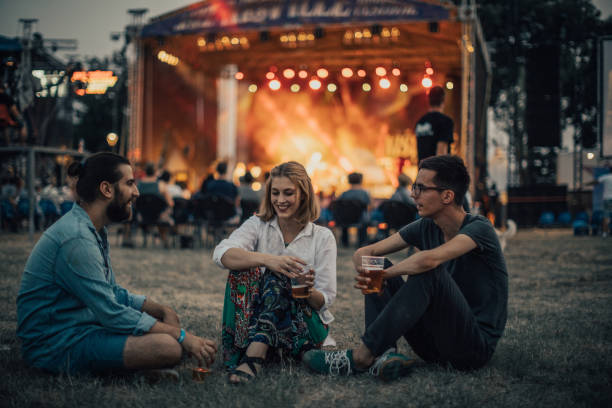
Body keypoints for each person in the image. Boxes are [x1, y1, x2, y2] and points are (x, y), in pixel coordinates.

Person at [304, 155, 507, 381]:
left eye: (421, 188)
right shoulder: (426, 226)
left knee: (428, 271)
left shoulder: (480, 228)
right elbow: (363, 253)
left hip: (471, 348)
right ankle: (384, 354)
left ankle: (363, 355)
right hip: (431, 346)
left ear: (447, 196)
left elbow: (428, 261)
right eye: (414, 187)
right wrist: (373, 271)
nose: (413, 195)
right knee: (378, 263)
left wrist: (385, 274)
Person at [16, 152, 216, 376]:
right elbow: (110, 312)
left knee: (162, 327)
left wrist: (161, 309)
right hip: (55, 344)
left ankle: (133, 365)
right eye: (130, 183)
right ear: (107, 189)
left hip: (82, 328)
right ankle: (131, 369)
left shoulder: (93, 230)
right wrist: (180, 336)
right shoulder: (77, 239)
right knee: (168, 346)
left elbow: (110, 293)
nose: (136, 192)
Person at [213, 161, 337, 384]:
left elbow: (323, 302)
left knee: (282, 273)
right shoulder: (258, 225)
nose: (280, 200)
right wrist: (269, 260)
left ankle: (254, 355)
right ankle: (270, 345)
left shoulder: (323, 237)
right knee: (244, 269)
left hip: (305, 325)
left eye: (288, 193)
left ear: (304, 194)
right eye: (275, 193)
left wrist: (304, 289)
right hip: (259, 316)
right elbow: (221, 254)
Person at [414, 85, 454, 162]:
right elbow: (441, 152)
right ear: (443, 100)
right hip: (436, 171)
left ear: (428, 100)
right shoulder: (446, 121)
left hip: (422, 171)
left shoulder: (420, 122)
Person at [337, 172, 371, 247]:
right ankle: (362, 242)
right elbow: (369, 206)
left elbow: (338, 206)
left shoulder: (344, 194)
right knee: (365, 215)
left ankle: (345, 242)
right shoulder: (364, 193)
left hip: (345, 219)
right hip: (360, 219)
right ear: (361, 181)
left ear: (349, 181)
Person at [598, 170, 612, 238]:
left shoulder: (606, 177)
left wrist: (586, 184)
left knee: (606, 216)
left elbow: (596, 181)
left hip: (607, 199)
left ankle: (605, 233)